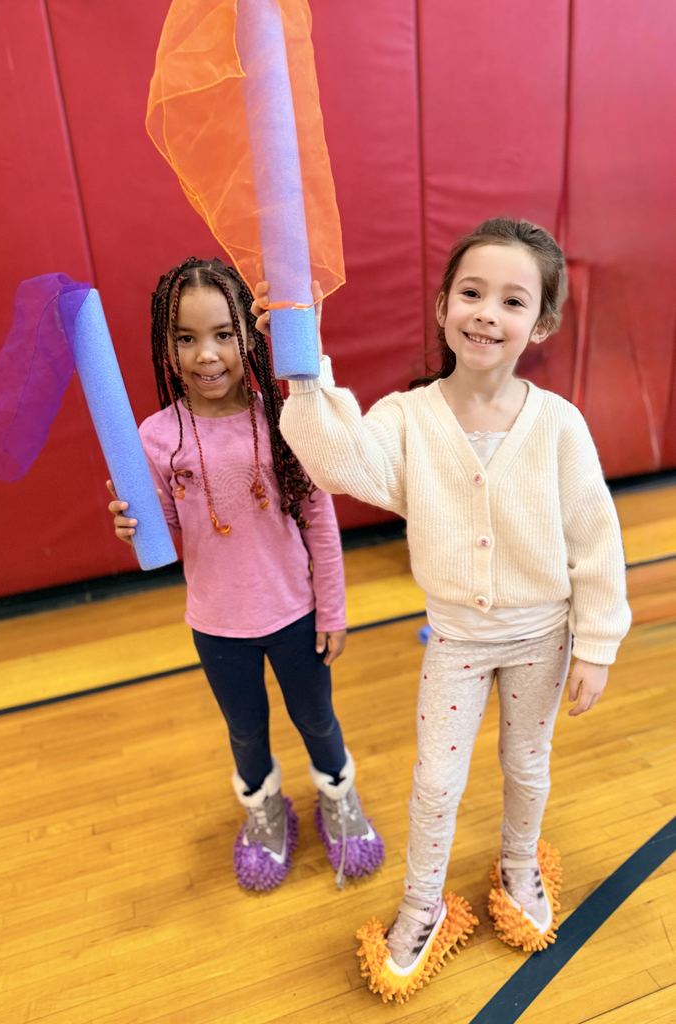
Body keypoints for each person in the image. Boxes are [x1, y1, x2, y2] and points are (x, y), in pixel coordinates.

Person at [262, 217, 630, 1000]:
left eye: (511, 300)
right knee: (435, 781)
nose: (486, 313)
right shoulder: (406, 419)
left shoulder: (558, 426)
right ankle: (422, 904)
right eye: (470, 293)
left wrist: (596, 644)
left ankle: (520, 865)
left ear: (541, 324)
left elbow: (595, 538)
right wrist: (305, 375)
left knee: (526, 764)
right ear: (441, 306)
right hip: (456, 642)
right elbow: (340, 462)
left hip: (541, 638)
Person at [107, 257, 384, 893]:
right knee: (245, 729)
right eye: (186, 337)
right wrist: (132, 524)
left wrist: (333, 610)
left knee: (317, 719)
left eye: (224, 334)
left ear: (250, 338)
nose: (206, 355)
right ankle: (264, 809)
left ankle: (337, 794)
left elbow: (321, 525)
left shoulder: (285, 421)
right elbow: (163, 530)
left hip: (295, 617)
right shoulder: (157, 437)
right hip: (217, 625)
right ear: (166, 346)